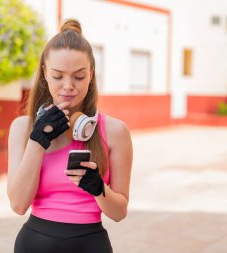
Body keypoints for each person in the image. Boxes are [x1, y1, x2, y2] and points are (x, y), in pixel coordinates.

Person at [7, 18, 133, 253]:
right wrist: (37, 140)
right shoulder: (21, 128)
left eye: (78, 76)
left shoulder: (116, 132)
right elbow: (18, 204)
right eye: (58, 76)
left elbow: (119, 213)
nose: (68, 86)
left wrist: (98, 188)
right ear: (44, 72)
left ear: (91, 74)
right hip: (34, 245)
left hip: (90, 244)